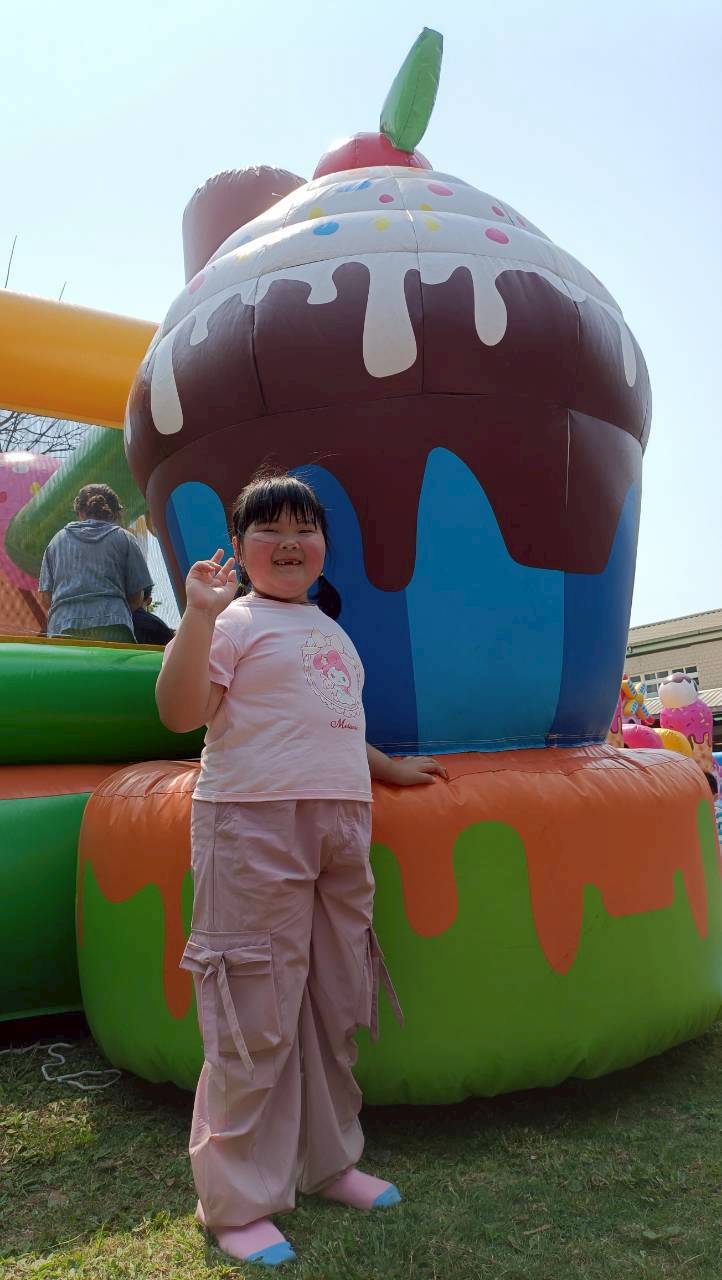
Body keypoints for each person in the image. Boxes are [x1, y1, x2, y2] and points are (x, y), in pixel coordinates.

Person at [156, 471, 447, 1267]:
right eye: (270, 529)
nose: (290, 542)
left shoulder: (328, 630)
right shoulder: (231, 621)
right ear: (239, 546)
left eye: (304, 528)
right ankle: (238, 1201)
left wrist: (389, 769)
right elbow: (179, 712)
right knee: (253, 1009)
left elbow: (330, 722)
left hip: (339, 827)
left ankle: (329, 1161)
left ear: (323, 545)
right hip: (253, 826)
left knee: (333, 998)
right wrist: (197, 616)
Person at [38, 484, 152, 642]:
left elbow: (45, 598)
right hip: (114, 625)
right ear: (114, 513)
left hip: (63, 627)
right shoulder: (125, 538)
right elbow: (137, 597)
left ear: (79, 512)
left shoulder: (57, 541)